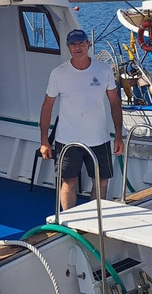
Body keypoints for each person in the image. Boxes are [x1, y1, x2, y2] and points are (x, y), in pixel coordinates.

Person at [38, 29, 124, 210]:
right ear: (68, 47)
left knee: (101, 181)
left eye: (81, 43)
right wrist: (44, 140)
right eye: (74, 44)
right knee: (69, 182)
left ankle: (95, 219)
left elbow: (115, 103)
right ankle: (69, 222)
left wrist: (118, 136)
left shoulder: (104, 69)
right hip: (67, 141)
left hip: (99, 139)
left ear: (88, 45)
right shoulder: (58, 73)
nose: (78, 47)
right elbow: (47, 107)